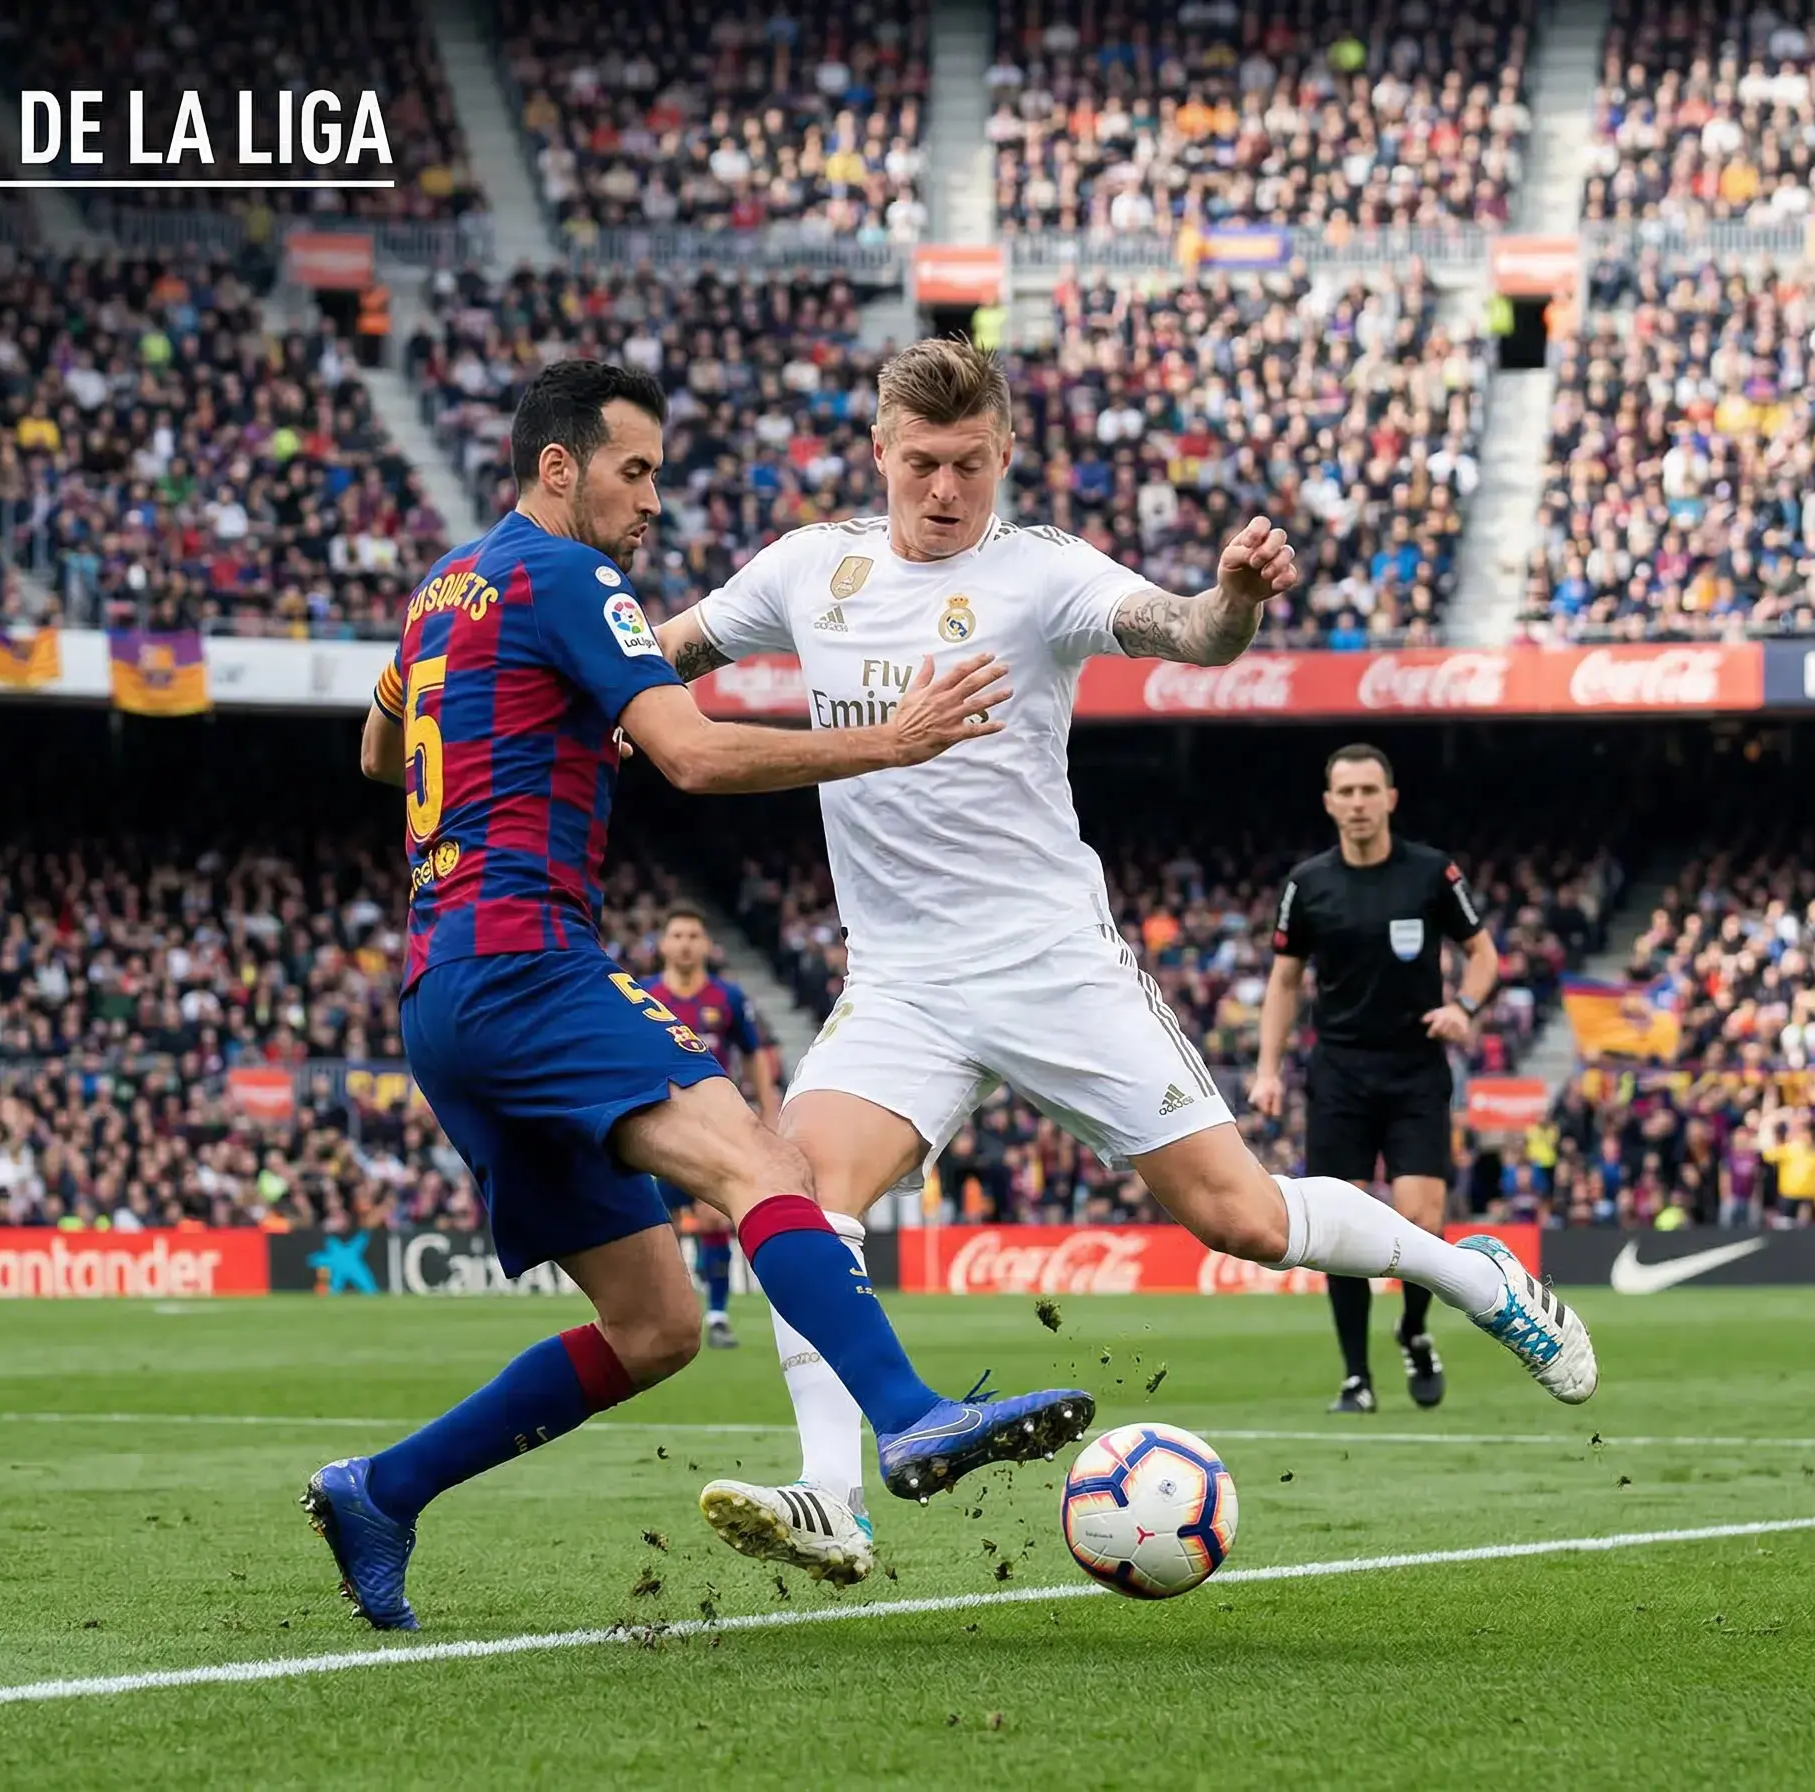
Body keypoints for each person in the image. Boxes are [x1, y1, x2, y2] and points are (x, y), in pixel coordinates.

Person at [655, 339, 1594, 1587]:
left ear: (1003, 459)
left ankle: (1467, 1273)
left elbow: (1190, 633)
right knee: (796, 1197)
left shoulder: (1040, 572)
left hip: (1053, 967)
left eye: (971, 466)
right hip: (901, 984)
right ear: (878, 452)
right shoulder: (805, 570)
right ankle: (833, 1496)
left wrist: (1238, 598)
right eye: (924, 463)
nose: (946, 490)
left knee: (1242, 1219)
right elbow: (653, 659)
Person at [305, 358, 1094, 1629]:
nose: (652, 499)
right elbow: (691, 752)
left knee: (658, 1323)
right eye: (635, 470)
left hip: (441, 987)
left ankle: (380, 1491)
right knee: (764, 1164)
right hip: (527, 959)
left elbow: (376, 747)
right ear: (559, 466)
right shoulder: (568, 573)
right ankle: (909, 1417)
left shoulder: (443, 585)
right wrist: (893, 738)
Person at [1249, 744, 1503, 1415]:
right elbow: (1284, 981)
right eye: (1346, 792)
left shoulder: (1431, 872)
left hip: (1416, 1065)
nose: (1358, 803)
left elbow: (1483, 956)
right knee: (1340, 1225)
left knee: (1422, 1217)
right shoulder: (1307, 883)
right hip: (1338, 1071)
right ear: (1329, 802)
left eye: (1369, 790)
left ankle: (1415, 1330)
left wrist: (1465, 1008)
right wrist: (1268, 1069)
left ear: (1391, 798)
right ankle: (1356, 1378)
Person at [646, 905, 779, 1348]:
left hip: (715, 1127)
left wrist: (769, 1106)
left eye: (693, 935)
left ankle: (717, 1314)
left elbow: (755, 1051)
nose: (685, 943)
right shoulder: (641, 995)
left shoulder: (727, 997)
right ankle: (654, 1310)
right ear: (664, 945)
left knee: (713, 1218)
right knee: (647, 1223)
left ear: (706, 945)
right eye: (677, 935)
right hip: (656, 1128)